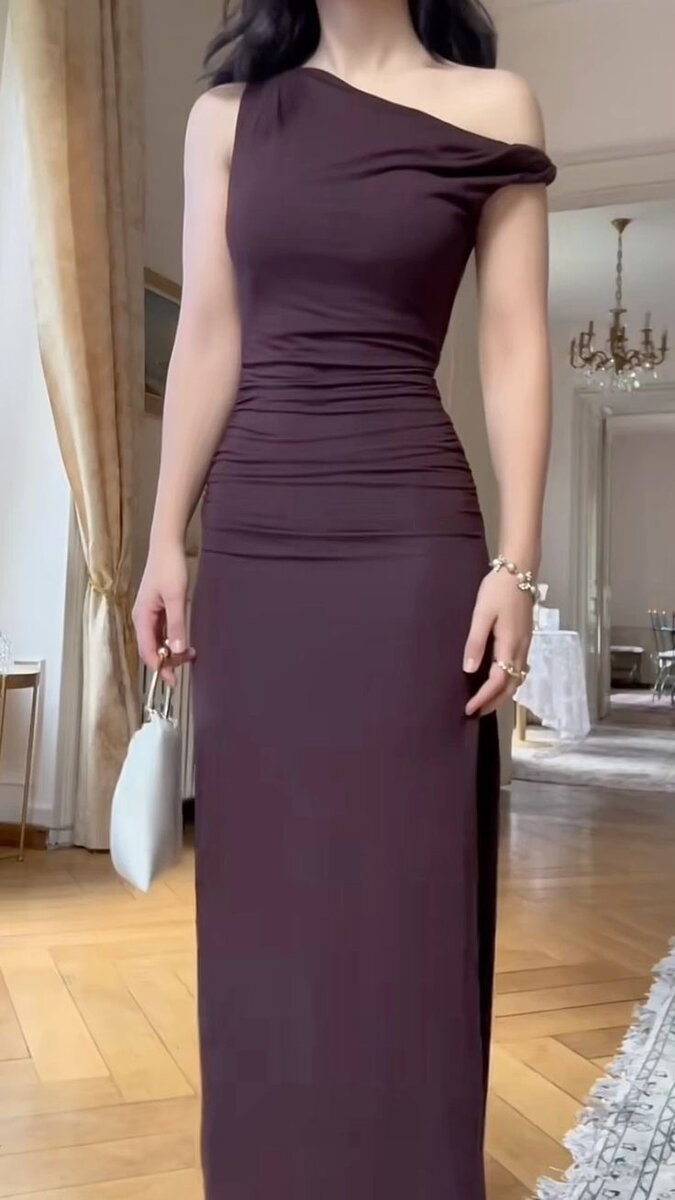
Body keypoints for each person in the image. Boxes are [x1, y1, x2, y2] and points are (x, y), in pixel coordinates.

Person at [133, 0, 556, 1195]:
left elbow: (515, 345)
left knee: (404, 903)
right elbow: (208, 333)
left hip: (411, 549)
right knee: (265, 908)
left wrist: (518, 564)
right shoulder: (226, 120)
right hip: (257, 549)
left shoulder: (492, 106)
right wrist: (164, 539)